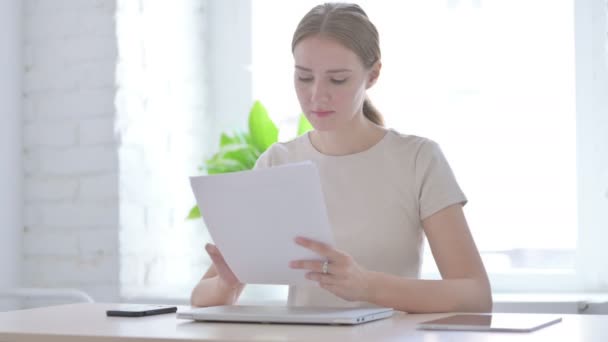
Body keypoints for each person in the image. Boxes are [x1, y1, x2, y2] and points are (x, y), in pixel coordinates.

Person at [191, 2, 492, 313]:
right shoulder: (277, 163)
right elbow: (202, 296)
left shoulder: (418, 160)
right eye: (304, 78)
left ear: (372, 74)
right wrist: (225, 284)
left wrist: (367, 285)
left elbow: (475, 294)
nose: (317, 95)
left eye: (337, 80)